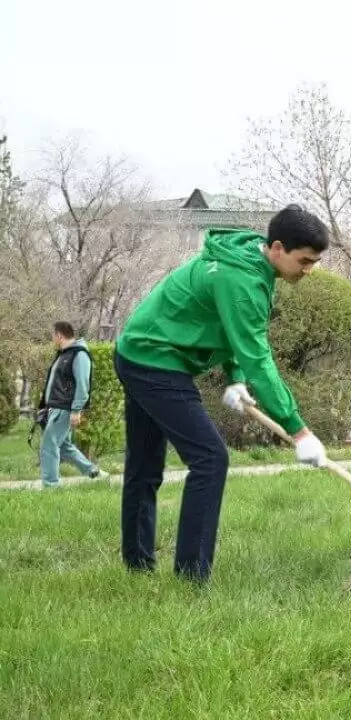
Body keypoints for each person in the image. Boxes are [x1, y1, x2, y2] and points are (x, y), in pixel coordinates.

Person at [114, 205, 330, 582]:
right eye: (305, 261)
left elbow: (228, 327)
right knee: (210, 459)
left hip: (141, 351)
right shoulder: (242, 279)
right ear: (278, 247)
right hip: (154, 360)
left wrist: (234, 378)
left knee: (145, 468)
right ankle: (191, 577)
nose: (309, 270)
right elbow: (258, 356)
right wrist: (299, 430)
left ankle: (137, 568)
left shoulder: (249, 261)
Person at [37, 321, 105, 486]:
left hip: (65, 408)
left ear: (59, 335)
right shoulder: (64, 354)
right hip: (57, 408)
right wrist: (45, 406)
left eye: (53, 336)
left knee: (49, 445)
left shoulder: (79, 354)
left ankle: (51, 486)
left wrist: (76, 410)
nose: (52, 339)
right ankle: (94, 472)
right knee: (65, 447)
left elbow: (83, 385)